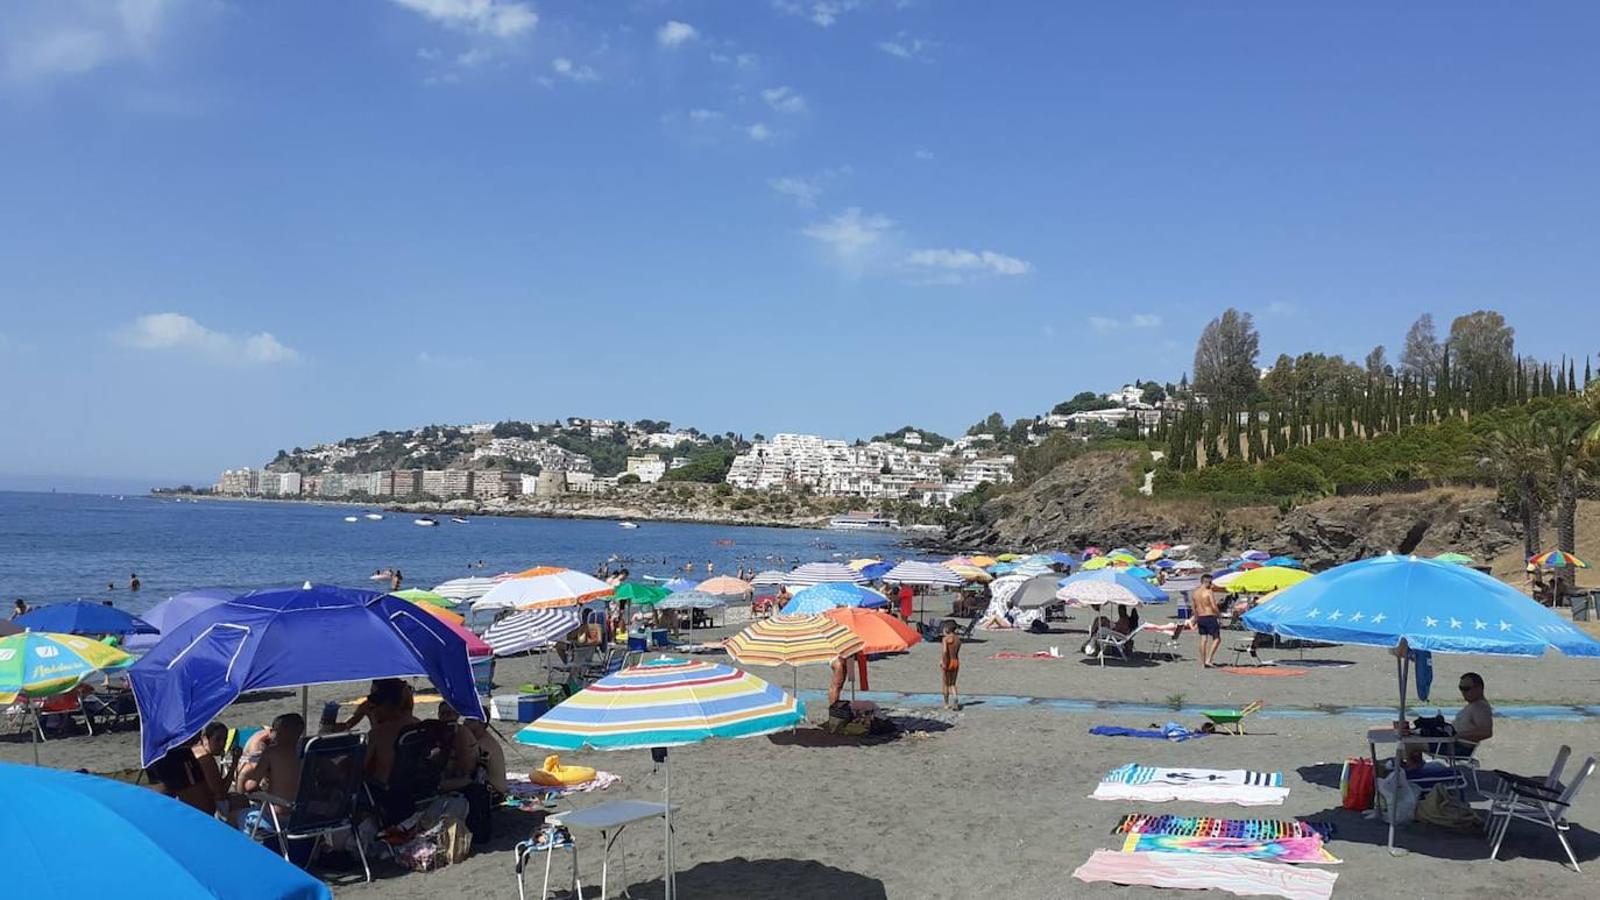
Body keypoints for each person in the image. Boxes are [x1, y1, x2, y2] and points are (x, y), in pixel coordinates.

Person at [236, 713, 306, 822]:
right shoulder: (309, 750)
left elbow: (250, 786)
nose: (273, 733)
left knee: (233, 817)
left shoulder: (272, 752)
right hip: (304, 816)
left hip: (278, 816)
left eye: (275, 730)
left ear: (283, 731)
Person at [364, 678, 419, 786]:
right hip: (415, 790)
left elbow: (356, 769)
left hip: (383, 794)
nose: (371, 706)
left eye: (374, 701)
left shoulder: (379, 733)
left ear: (387, 702)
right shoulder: (417, 724)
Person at [1190, 574, 1222, 669]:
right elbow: (1213, 605)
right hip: (1209, 616)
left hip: (1200, 617)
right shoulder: (1208, 592)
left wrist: (1195, 619)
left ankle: (1203, 662)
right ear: (1207, 582)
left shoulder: (1195, 593)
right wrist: (1219, 615)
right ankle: (1208, 660)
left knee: (1203, 639)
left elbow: (1194, 608)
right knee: (1217, 638)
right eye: (1211, 582)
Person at [940, 619, 962, 710]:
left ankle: (946, 703)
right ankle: (955, 697)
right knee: (953, 683)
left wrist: (944, 662)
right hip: (956, 661)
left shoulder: (945, 639)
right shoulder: (958, 639)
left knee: (945, 683)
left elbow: (945, 651)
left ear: (947, 629)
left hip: (948, 661)